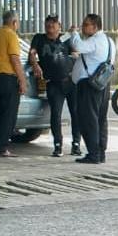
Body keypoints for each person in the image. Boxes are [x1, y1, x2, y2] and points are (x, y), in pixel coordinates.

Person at [30, 14, 77, 157]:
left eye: (52, 26)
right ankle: (58, 145)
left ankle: (76, 144)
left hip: (70, 81)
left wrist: (73, 56)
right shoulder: (39, 38)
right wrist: (35, 64)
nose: (50, 29)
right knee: (55, 114)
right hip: (53, 83)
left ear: (59, 26)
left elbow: (76, 53)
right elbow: (32, 53)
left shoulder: (66, 39)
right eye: (47, 26)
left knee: (75, 113)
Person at [70, 13, 114, 164]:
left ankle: (93, 153)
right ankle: (100, 152)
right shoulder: (109, 41)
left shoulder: (94, 40)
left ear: (95, 27)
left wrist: (74, 33)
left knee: (89, 119)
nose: (83, 27)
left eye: (86, 24)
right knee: (101, 118)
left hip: (89, 84)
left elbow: (77, 46)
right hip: (102, 83)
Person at [0, 10, 26, 158]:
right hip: (8, 78)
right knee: (9, 115)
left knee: (2, 113)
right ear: (14, 22)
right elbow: (15, 60)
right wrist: (22, 80)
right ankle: (1, 148)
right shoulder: (11, 35)